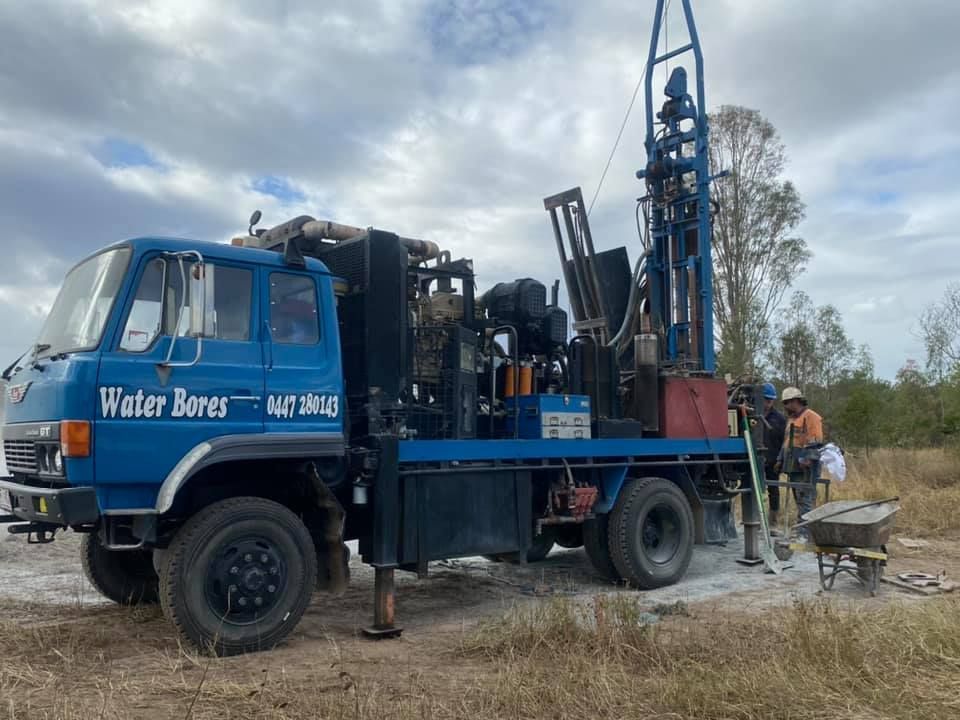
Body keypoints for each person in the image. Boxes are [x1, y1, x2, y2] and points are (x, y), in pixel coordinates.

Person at [775, 387, 824, 538]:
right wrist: (780, 459)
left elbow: (816, 440)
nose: (785, 406)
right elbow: (787, 442)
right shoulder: (792, 419)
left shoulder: (811, 417)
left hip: (806, 467)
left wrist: (807, 458)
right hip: (793, 465)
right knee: (799, 498)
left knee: (805, 499)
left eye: (787, 403)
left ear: (796, 401)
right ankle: (802, 530)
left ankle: (805, 533)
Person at [760, 383, 786, 530]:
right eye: (766, 399)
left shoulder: (779, 419)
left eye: (771, 400)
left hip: (772, 461)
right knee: (754, 490)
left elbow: (785, 441)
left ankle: (773, 523)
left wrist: (780, 460)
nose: (769, 403)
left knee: (773, 490)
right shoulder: (751, 414)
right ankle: (755, 520)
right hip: (755, 460)